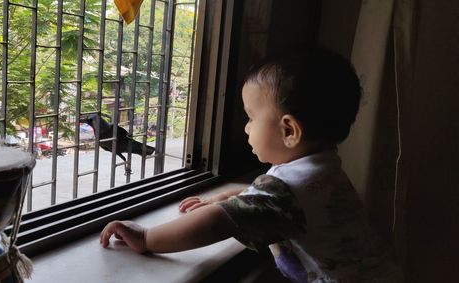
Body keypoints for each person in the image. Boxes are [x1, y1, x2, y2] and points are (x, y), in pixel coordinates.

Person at [99, 47, 399, 282]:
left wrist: (146, 238)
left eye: (252, 117)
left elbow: (217, 223)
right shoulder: (324, 169)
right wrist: (229, 197)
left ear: (289, 131)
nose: (245, 128)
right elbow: (270, 202)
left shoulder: (286, 189)